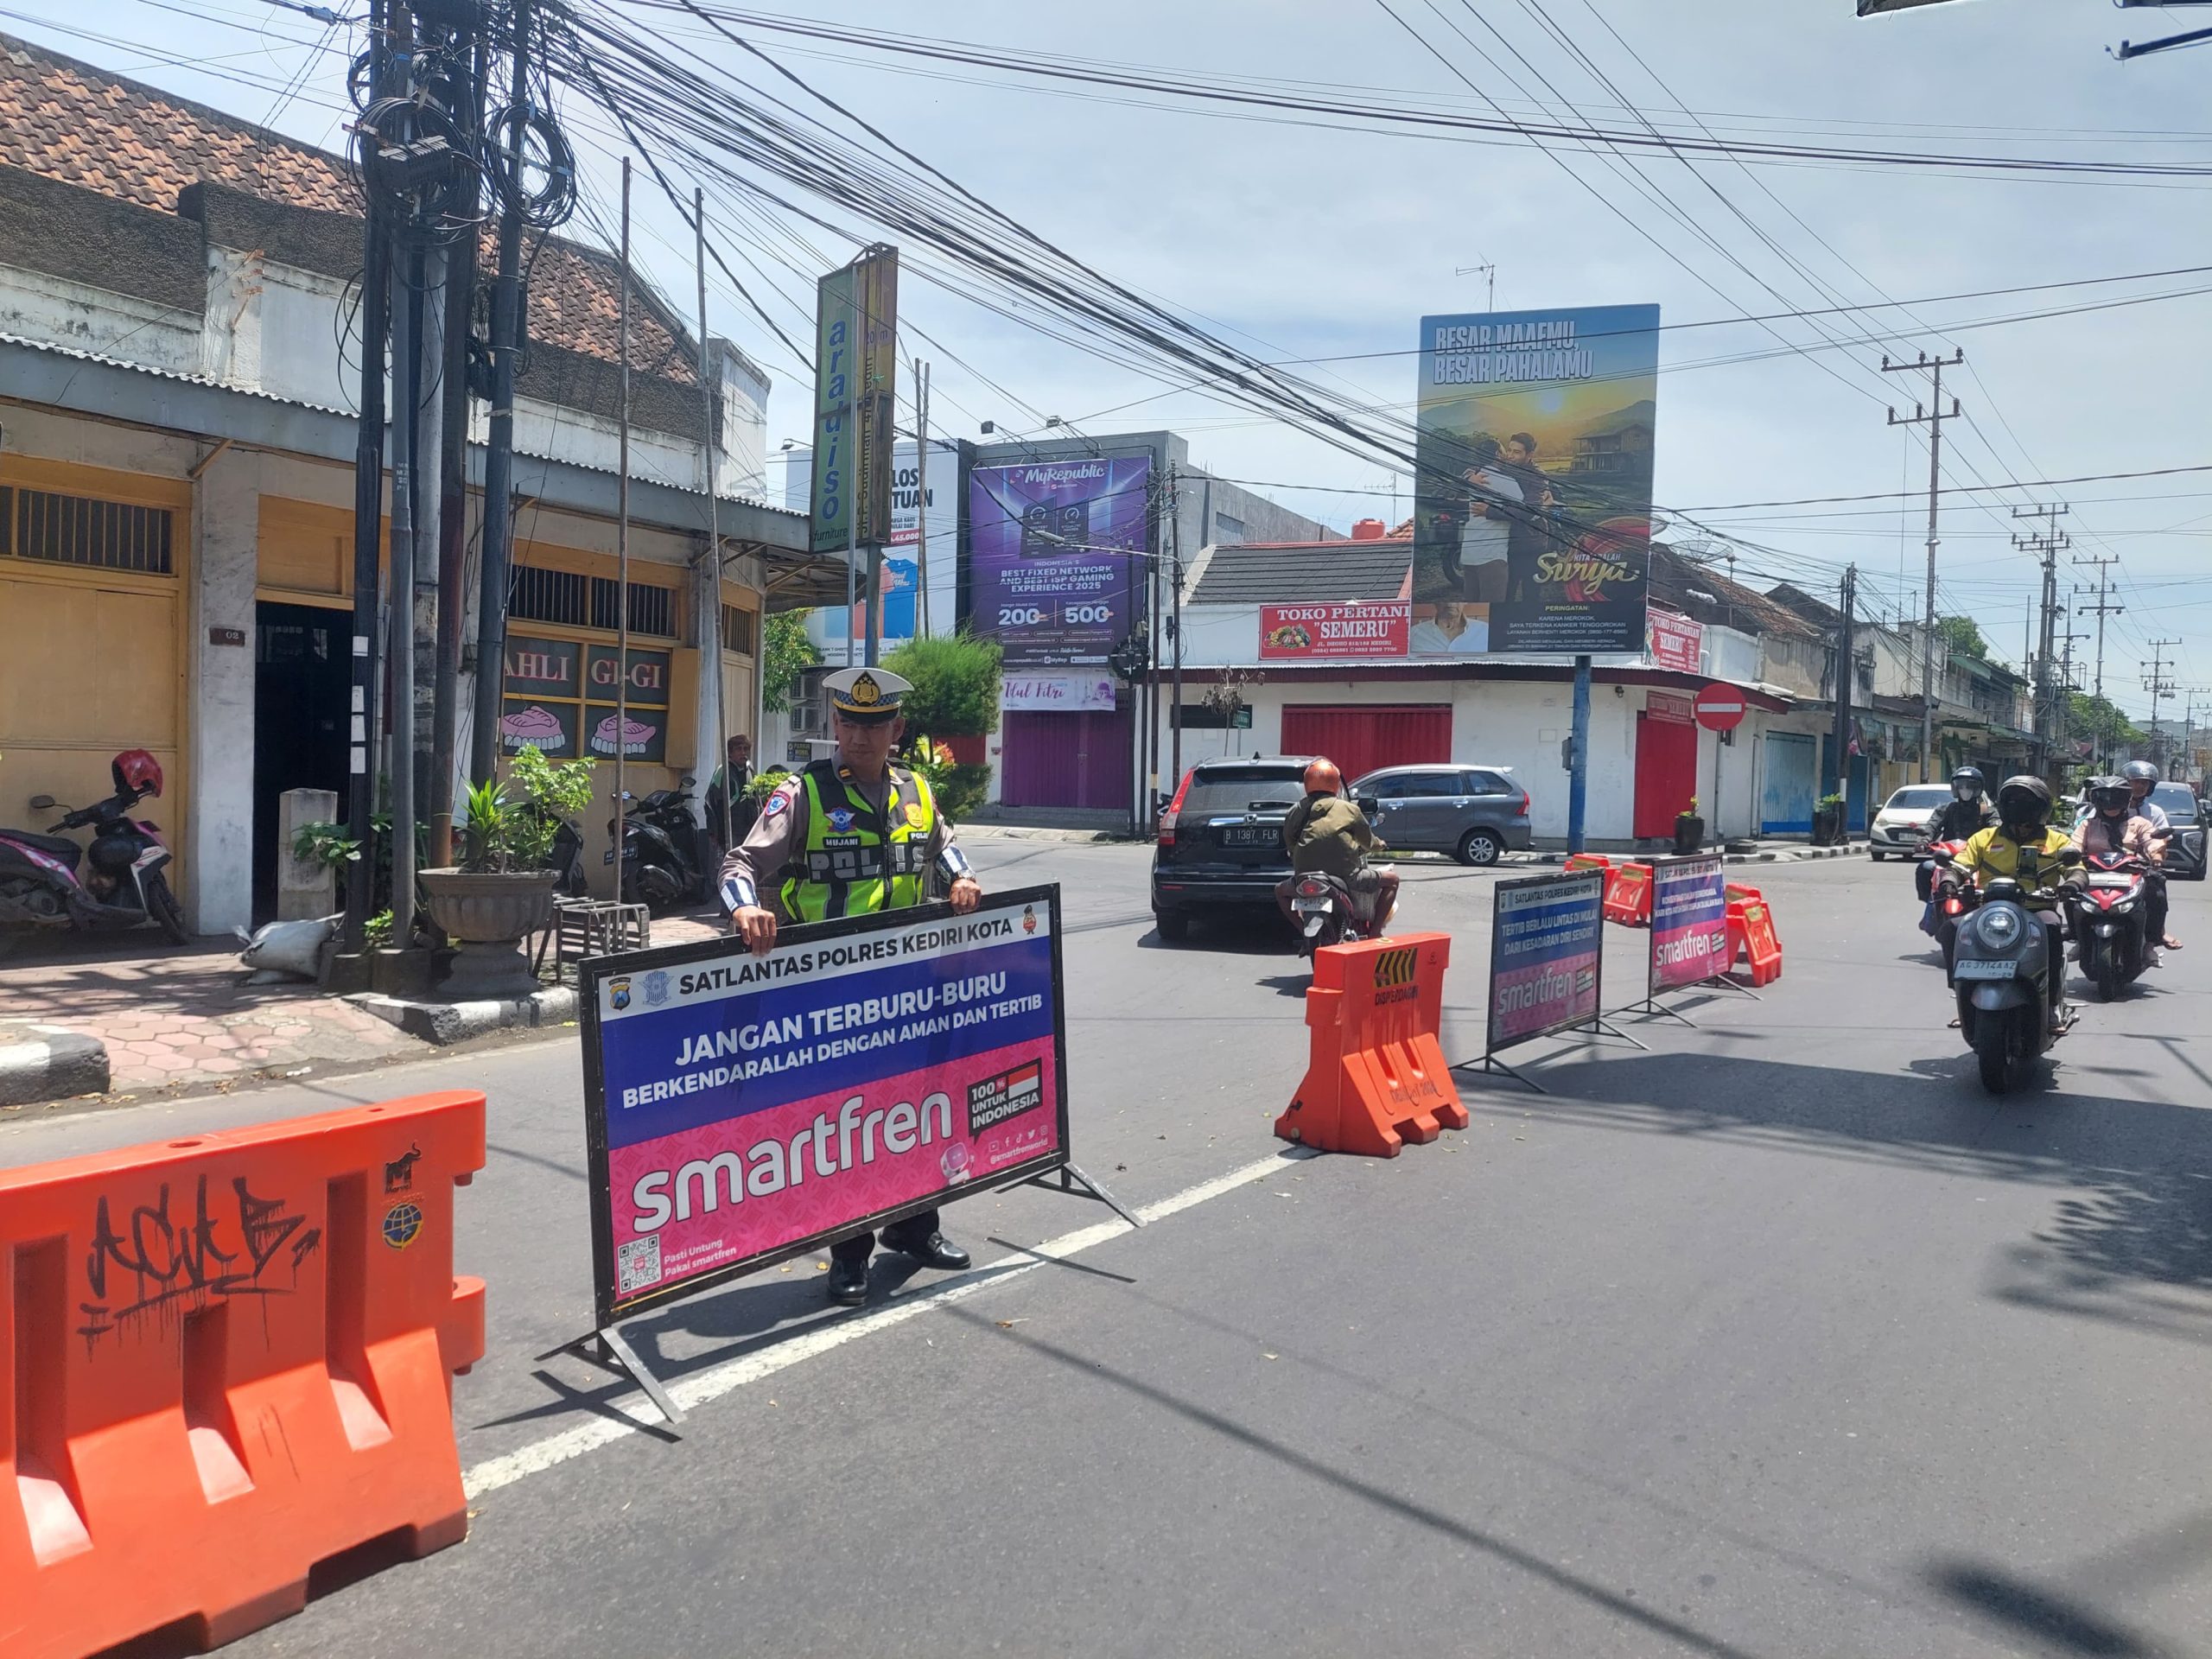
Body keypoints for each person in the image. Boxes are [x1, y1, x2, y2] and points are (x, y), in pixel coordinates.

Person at [718, 668, 983, 1306]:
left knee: (918, 1110)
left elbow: (944, 849)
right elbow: (740, 863)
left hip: (914, 987)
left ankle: (916, 1228)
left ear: (896, 729)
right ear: (834, 725)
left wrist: (963, 879)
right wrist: (744, 908)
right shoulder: (802, 792)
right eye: (849, 724)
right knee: (849, 1123)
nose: (861, 737)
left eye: (875, 725)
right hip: (833, 996)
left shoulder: (918, 790)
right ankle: (849, 1251)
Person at [1947, 775, 2082, 1033]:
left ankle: (2052, 1003)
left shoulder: (2057, 840)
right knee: (1952, 928)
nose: (2018, 806)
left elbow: (2077, 869)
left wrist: (2072, 884)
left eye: (2026, 801)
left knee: (2051, 928)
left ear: (2041, 807)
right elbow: (1960, 865)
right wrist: (1950, 881)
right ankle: (1962, 996)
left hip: (2036, 909)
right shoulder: (1984, 838)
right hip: (1988, 910)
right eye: (2012, 800)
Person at [1276, 760, 1398, 934]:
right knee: (1392, 880)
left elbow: (1290, 843)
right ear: (1335, 783)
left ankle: (1303, 933)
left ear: (1307, 783)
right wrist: (1380, 845)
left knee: (1280, 891)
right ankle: (1375, 932)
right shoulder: (1349, 809)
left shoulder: (1295, 810)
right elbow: (1368, 842)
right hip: (1346, 877)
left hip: (1304, 877)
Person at [2121, 759, 2182, 950]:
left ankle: (2154, 939)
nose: (2139, 786)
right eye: (2135, 781)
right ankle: (2080, 938)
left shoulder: (2154, 812)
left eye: (2144, 783)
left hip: (2140, 866)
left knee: (2156, 890)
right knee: (2076, 890)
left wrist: (2156, 857)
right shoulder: (2105, 805)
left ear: (2150, 787)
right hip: (2105, 864)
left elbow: (2162, 839)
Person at [1458, 438, 1519, 606]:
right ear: (1498, 454)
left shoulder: (1474, 478)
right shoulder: (1507, 482)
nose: (1508, 455)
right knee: (1493, 609)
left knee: (1471, 607)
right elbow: (1524, 513)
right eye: (1505, 450)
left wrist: (1468, 476)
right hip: (1492, 556)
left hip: (1469, 552)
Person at [702, 733, 757, 859]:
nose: (743, 753)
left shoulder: (750, 771)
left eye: (746, 749)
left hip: (747, 831)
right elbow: (711, 802)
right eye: (739, 749)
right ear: (730, 753)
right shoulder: (723, 771)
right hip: (726, 832)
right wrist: (714, 833)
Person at [1927, 766, 1998, 844]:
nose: (1965, 790)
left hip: (1979, 852)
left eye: (1969, 787)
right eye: (1961, 787)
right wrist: (1924, 840)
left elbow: (1995, 827)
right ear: (1955, 788)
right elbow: (1933, 825)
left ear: (1977, 789)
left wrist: (1996, 836)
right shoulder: (1948, 809)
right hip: (1949, 851)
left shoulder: (1986, 811)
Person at [1409, 599, 1488, 654]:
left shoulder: (1486, 632)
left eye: (1456, 598)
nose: (1450, 604)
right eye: (1444, 598)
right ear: (1434, 601)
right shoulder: (1414, 634)